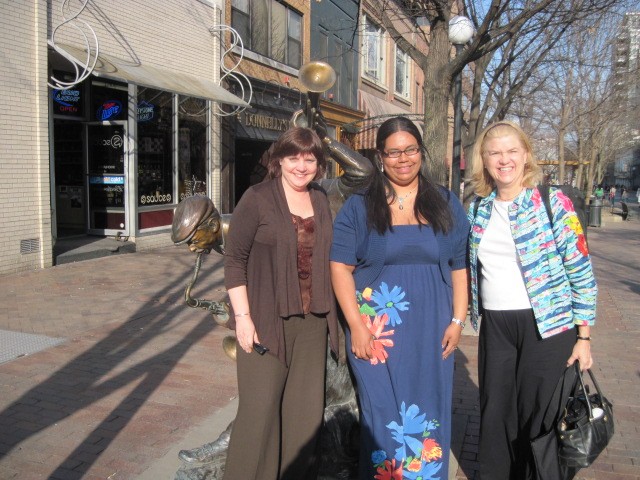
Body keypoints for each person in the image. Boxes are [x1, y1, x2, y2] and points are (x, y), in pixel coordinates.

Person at [330, 116, 470, 479]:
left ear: (421, 152)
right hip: (378, 334)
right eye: (393, 152)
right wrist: (357, 326)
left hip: (432, 330)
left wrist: (458, 320)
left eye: (410, 150)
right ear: (380, 156)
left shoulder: (446, 202)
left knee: (429, 411)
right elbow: (340, 268)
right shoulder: (360, 205)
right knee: (383, 417)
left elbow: (458, 265)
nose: (402, 159)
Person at [468, 121, 597, 479]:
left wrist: (583, 337)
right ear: (484, 159)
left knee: (541, 415)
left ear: (526, 155)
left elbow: (581, 270)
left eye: (512, 151)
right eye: (494, 152)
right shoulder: (478, 208)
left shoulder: (552, 202)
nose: (504, 159)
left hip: (549, 326)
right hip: (497, 327)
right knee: (497, 413)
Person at [222, 127, 340, 480]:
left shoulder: (320, 198)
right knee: (258, 417)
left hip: (314, 323)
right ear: (278, 160)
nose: (301, 166)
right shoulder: (257, 198)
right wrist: (242, 317)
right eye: (293, 157)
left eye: (310, 158)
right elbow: (234, 260)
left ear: (319, 164)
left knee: (305, 419)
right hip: (265, 322)